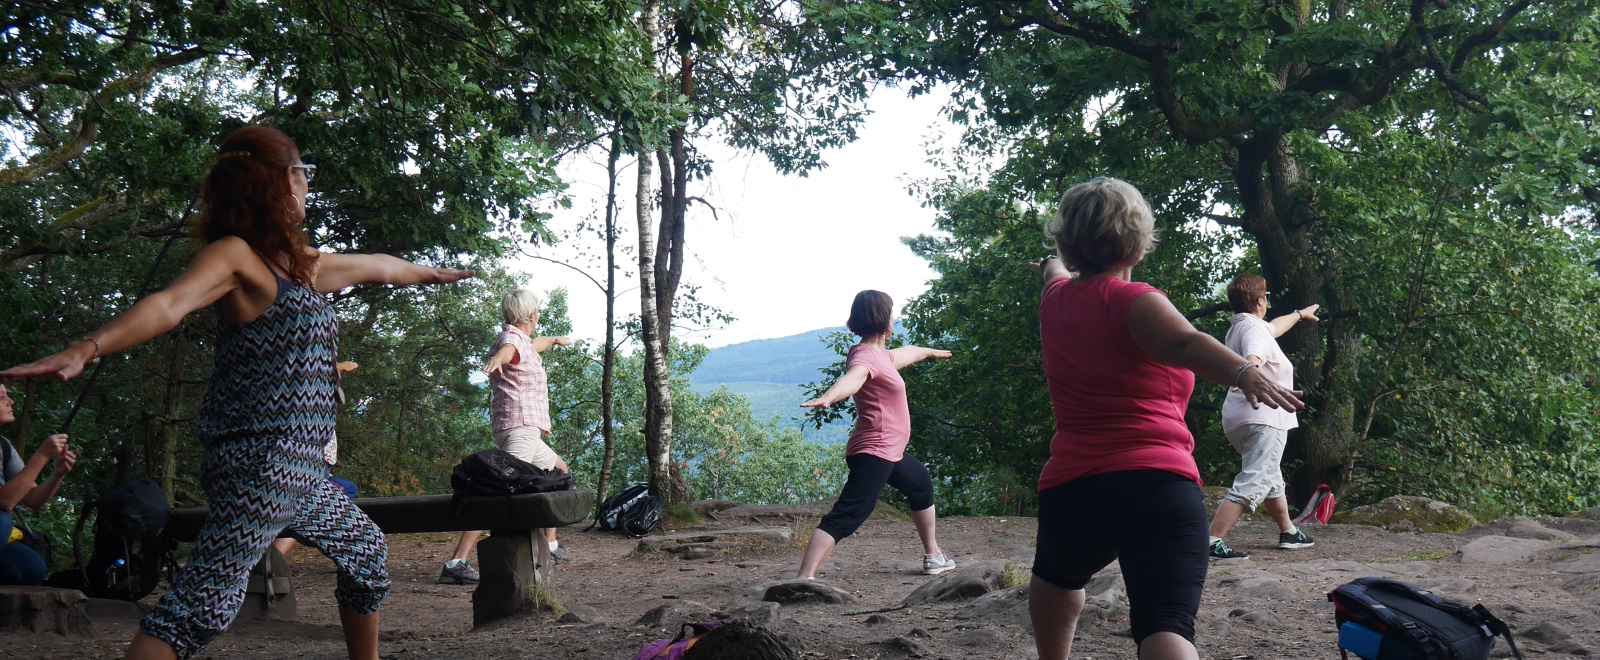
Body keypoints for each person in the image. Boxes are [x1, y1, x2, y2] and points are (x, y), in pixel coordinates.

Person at [0, 125, 473, 660]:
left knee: (364, 553)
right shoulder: (235, 257)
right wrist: (87, 347)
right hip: (259, 463)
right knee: (203, 604)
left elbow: (380, 267)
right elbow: (167, 305)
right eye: (304, 173)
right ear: (278, 182)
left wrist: (430, 273)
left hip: (303, 469)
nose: (308, 186)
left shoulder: (302, 265)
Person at [1026, 177, 1302, 660]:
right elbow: (1185, 344)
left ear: (1067, 242)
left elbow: (1054, 273)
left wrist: (1051, 262)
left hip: (1074, 487)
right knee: (1165, 623)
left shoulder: (1055, 301)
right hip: (1157, 484)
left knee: (1056, 577)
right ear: (1137, 241)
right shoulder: (1136, 300)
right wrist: (1245, 375)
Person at [796, 290, 954, 580]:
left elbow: (908, 352)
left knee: (920, 485)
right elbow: (853, 379)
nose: (894, 319)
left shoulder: (881, 356)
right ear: (884, 319)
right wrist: (830, 396)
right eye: (891, 313)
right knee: (848, 514)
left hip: (889, 451)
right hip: (874, 451)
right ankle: (804, 579)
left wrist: (930, 351)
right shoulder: (866, 357)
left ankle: (934, 555)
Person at [439, 289, 574, 584]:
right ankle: (456, 562)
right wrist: (498, 360)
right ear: (532, 316)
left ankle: (549, 545)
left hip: (523, 430)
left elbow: (531, 345)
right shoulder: (510, 341)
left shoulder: (521, 340)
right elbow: (509, 351)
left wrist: (555, 340)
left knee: (558, 471)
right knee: (497, 494)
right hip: (520, 429)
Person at [1207, 274, 1319, 560]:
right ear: (1260, 301)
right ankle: (1211, 540)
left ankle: (1289, 532)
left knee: (1270, 475)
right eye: (1265, 296)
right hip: (1263, 417)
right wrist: (1250, 369)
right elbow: (1253, 358)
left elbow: (1274, 327)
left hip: (1241, 418)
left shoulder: (1244, 327)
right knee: (1255, 478)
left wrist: (1299, 314)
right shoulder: (1254, 333)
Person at [273, 361, 360, 559]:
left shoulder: (321, 411)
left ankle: (276, 555)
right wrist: (334, 368)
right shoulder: (306, 410)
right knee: (309, 507)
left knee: (346, 488)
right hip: (307, 478)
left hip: (316, 476)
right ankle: (275, 557)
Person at [0, 383, 78, 585]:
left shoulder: (4, 446)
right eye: (2, 398)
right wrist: (42, 455)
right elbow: (5, 501)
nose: (11, 401)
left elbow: (34, 499)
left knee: (31, 568)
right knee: (2, 519)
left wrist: (57, 474)